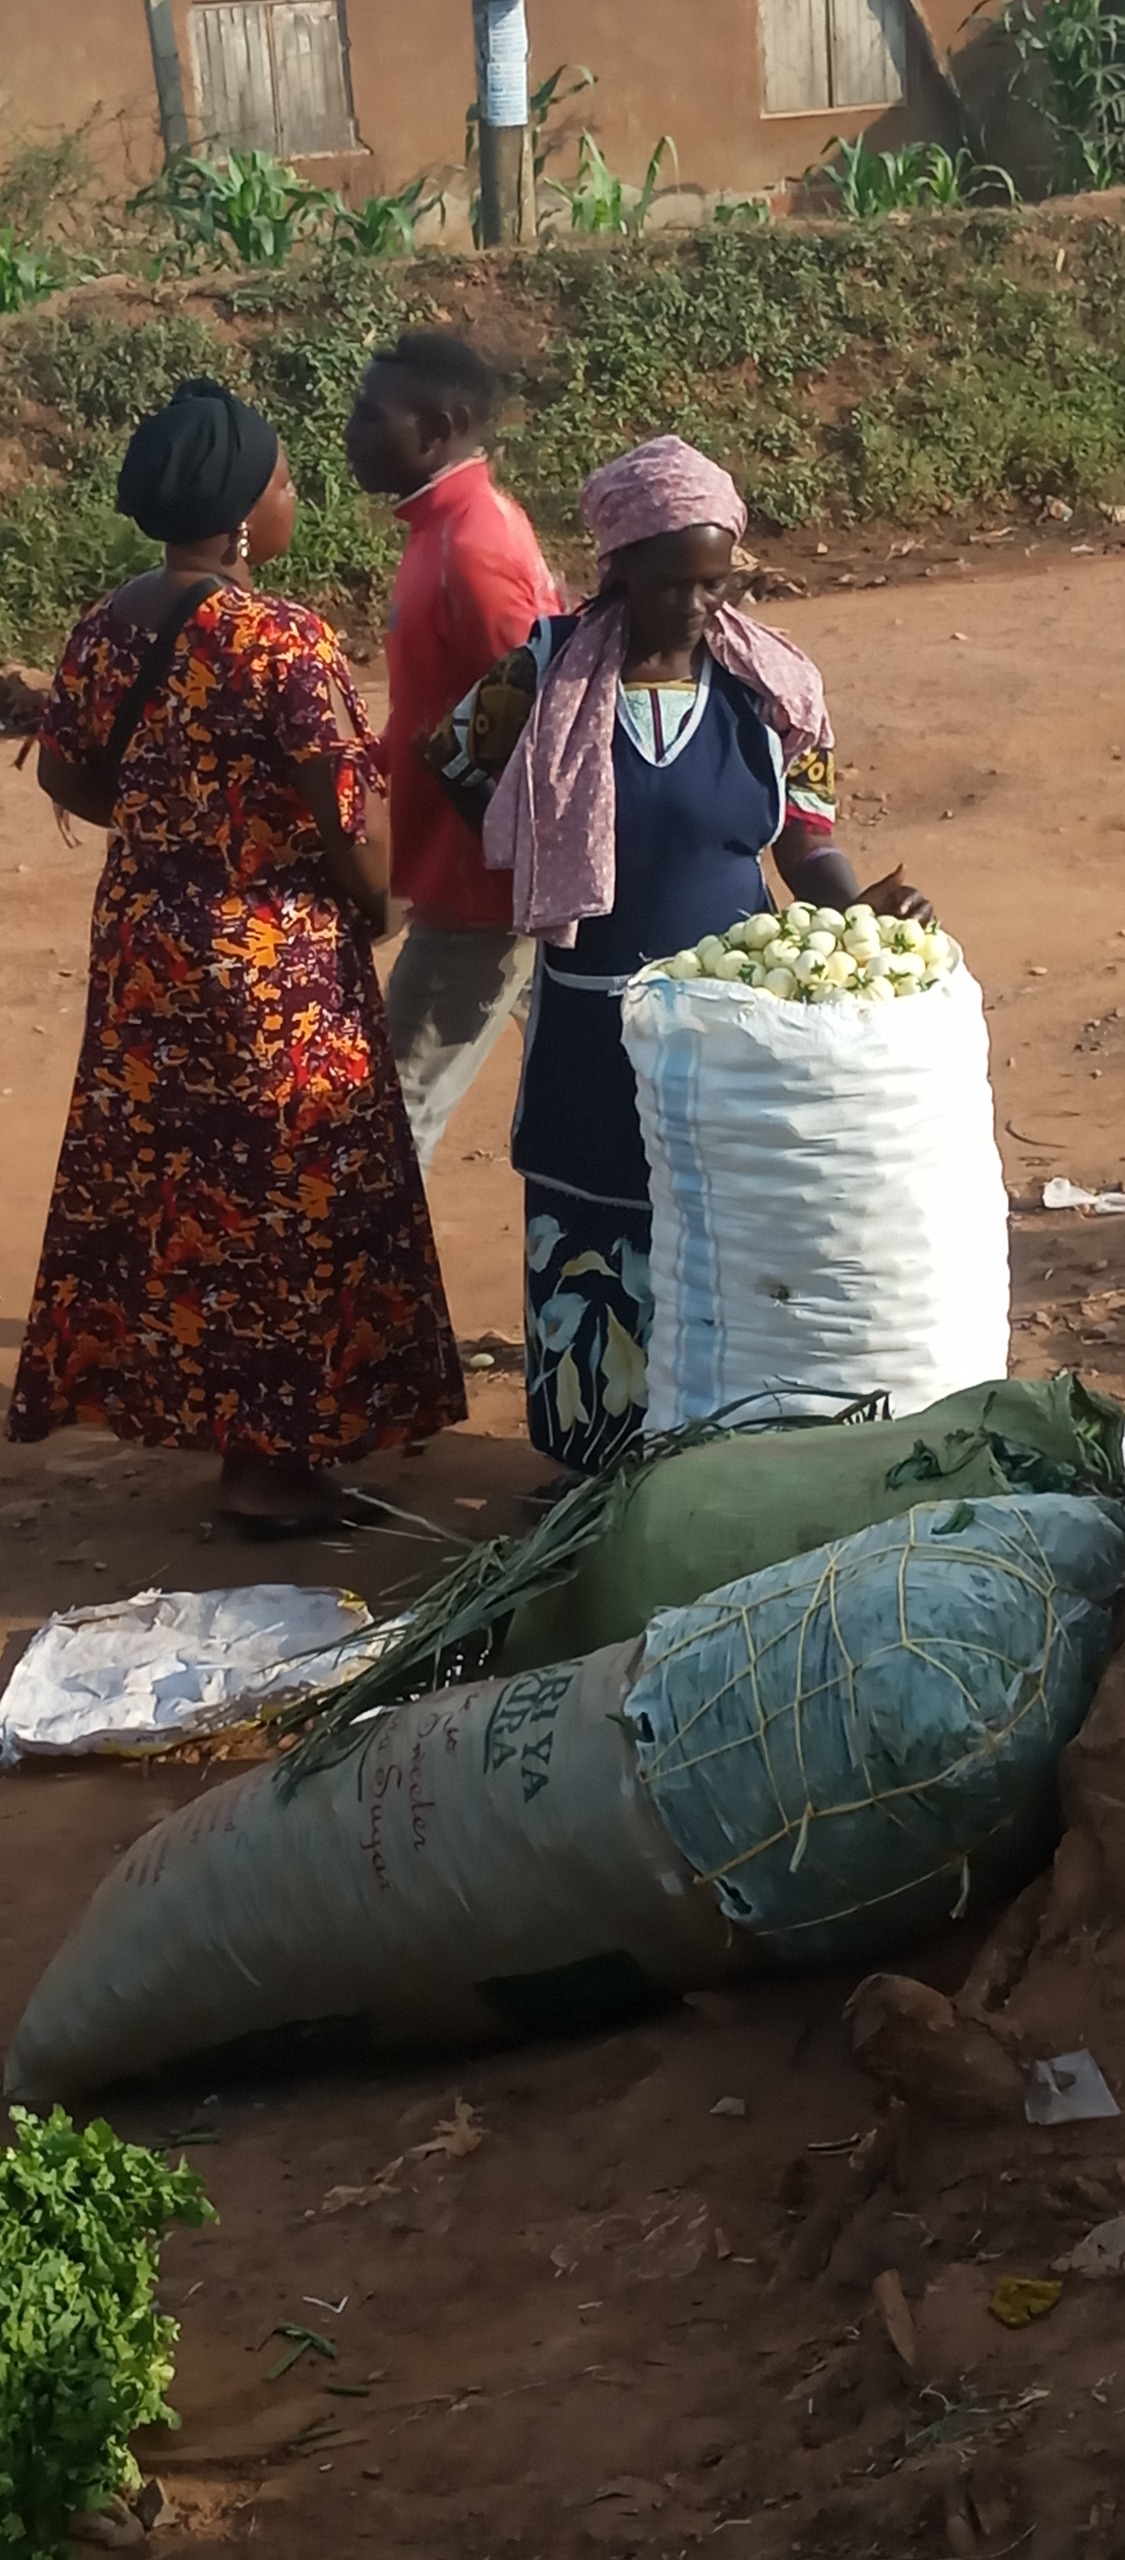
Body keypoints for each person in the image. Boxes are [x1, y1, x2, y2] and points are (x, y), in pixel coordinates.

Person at [8, 376, 465, 1536]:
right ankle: (271, 1470)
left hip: (147, 952)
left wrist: (172, 828)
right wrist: (380, 902)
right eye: (283, 482)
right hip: (272, 965)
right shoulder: (280, 639)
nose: (293, 497)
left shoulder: (107, 625)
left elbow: (63, 768)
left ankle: (234, 1438)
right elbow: (348, 816)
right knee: (291, 1189)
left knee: (179, 1189)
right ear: (239, 518)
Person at [425, 434, 930, 1478]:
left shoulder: (769, 687)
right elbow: (456, 761)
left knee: (721, 1236)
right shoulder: (546, 670)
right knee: (594, 1230)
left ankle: (711, 1468)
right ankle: (591, 1474)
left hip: (732, 1027)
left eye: (716, 582)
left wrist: (858, 910)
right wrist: (536, 843)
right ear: (619, 571)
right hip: (593, 1017)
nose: (698, 606)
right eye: (672, 584)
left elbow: (806, 832)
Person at [344, 329, 560, 1172]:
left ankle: (360, 1270)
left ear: (437, 429)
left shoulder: (471, 549)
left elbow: (544, 720)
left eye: (371, 415)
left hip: (479, 890)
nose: (352, 432)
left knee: (387, 1118)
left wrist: (512, 880)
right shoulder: (446, 530)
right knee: (601, 1081)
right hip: (465, 874)